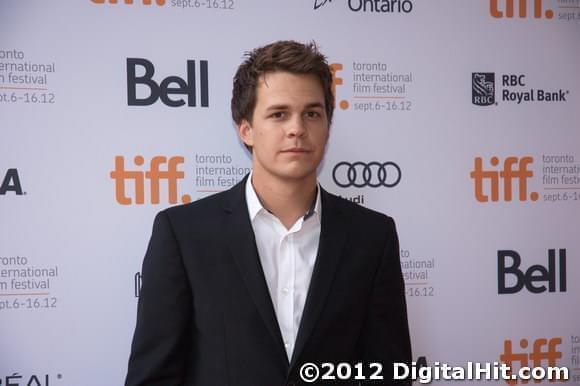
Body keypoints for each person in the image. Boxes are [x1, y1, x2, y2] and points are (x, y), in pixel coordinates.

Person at [125, 40, 411, 386]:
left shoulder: (372, 237)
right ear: (245, 129)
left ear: (327, 126)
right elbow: (153, 378)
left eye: (312, 113)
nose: (297, 129)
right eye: (279, 114)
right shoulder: (184, 234)